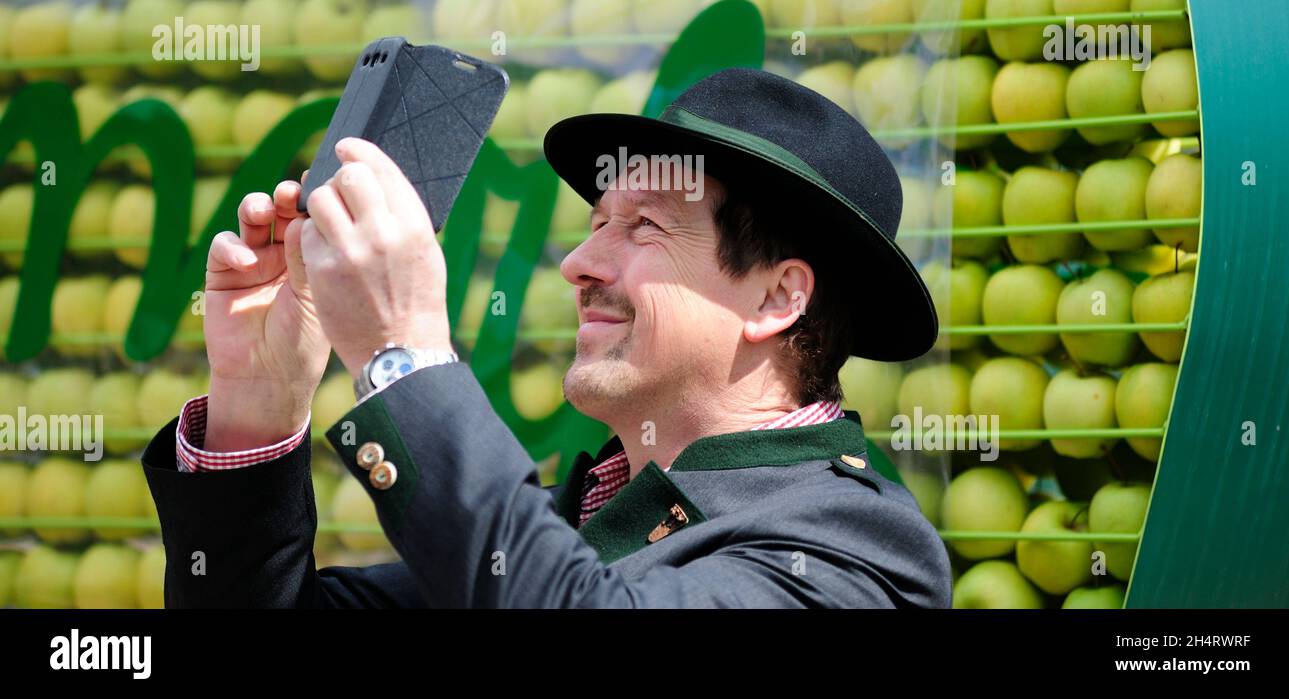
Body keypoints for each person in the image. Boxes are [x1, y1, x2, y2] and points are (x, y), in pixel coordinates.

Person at [141, 66, 951, 608]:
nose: (579, 262)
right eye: (597, 220)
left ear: (777, 296)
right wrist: (261, 397)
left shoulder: (854, 547)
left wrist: (404, 355)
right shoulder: (579, 523)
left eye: (643, 228)